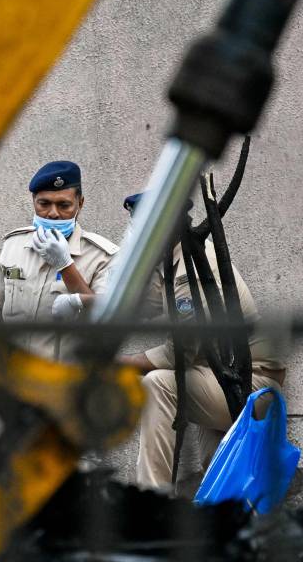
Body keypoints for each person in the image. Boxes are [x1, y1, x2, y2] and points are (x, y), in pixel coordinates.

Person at [116, 193, 286, 490]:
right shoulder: (175, 258)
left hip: (252, 384)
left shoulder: (189, 271)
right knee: (222, 480)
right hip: (217, 375)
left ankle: (151, 496)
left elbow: (180, 353)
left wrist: (121, 364)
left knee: (158, 384)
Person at [0, 161, 119, 447]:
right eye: (44, 204)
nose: (53, 213)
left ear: (81, 203)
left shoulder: (102, 255)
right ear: (33, 201)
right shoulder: (13, 245)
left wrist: (66, 266)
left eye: (64, 205)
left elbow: (108, 316)